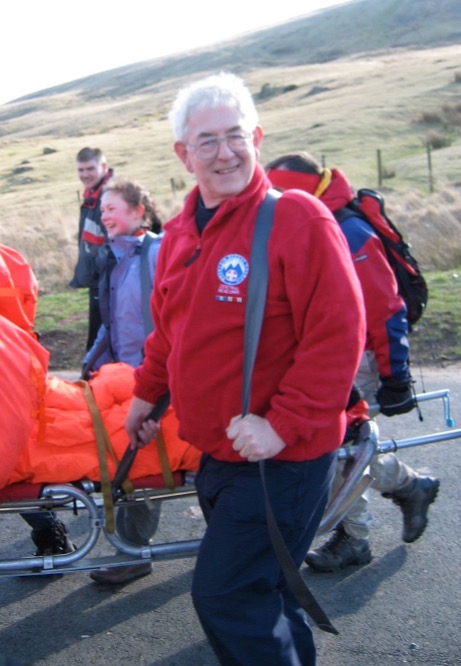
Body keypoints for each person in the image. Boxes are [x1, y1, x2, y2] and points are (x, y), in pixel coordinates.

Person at [125, 72, 366, 666]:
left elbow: (339, 334)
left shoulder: (297, 219)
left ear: (256, 136)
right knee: (266, 591)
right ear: (184, 154)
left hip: (281, 460)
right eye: (206, 140)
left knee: (226, 593)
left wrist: (281, 423)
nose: (224, 151)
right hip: (219, 457)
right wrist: (146, 393)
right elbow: (170, 330)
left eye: (235, 135)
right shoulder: (180, 231)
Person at [266, 151, 440, 572]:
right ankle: (408, 487)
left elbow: (387, 309)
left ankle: (355, 537)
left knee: (341, 448)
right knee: (346, 447)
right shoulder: (316, 225)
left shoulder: (348, 231)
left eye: (278, 192)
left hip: (358, 358)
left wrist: (394, 377)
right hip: (329, 356)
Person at [24, 178, 165, 584]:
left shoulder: (156, 254)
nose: (103, 216)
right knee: (130, 462)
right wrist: (89, 363)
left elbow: (171, 320)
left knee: (144, 465)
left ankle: (137, 554)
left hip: (152, 381)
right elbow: (110, 324)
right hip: (123, 380)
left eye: (113, 208)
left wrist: (155, 377)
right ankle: (135, 551)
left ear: (139, 211)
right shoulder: (114, 259)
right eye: (101, 210)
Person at [69, 147, 113, 351]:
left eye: (90, 169)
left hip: (107, 278)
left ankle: (94, 380)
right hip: (98, 277)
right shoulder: (92, 195)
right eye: (80, 170)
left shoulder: (111, 195)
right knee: (99, 336)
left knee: (100, 339)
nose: (85, 174)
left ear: (103, 167)